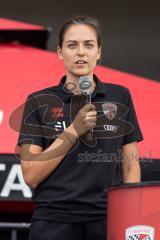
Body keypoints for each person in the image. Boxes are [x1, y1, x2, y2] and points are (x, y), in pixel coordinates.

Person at [17, 15, 143, 240]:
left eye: (89, 45)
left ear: (99, 52)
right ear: (59, 52)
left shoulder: (120, 96)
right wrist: (74, 130)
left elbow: (130, 168)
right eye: (72, 45)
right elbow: (31, 175)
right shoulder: (39, 101)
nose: (81, 52)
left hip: (107, 221)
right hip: (53, 222)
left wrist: (130, 217)